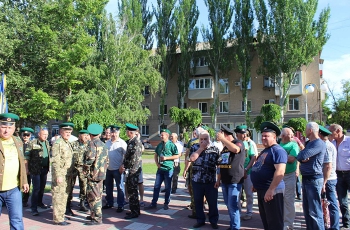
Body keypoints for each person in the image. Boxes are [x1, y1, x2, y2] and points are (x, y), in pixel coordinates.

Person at [251, 121, 287, 230]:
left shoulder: (278, 151)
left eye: (266, 136)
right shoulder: (266, 150)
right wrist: (256, 184)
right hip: (262, 189)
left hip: (272, 191)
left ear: (274, 137)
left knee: (274, 223)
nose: (263, 138)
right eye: (262, 136)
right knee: (266, 221)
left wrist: (271, 190)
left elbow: (280, 172)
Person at [0, 113, 29, 229]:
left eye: (10, 127)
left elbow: (21, 162)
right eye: (3, 127)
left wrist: (24, 181)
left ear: (14, 128)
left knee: (17, 220)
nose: (6, 130)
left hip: (14, 189)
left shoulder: (17, 141)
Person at [296, 122, 326, 229]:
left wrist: (303, 158)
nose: (304, 131)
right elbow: (300, 155)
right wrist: (303, 158)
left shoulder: (318, 143)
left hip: (314, 179)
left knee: (315, 211)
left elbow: (302, 155)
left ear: (310, 130)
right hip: (307, 179)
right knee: (307, 210)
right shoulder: (309, 143)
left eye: (305, 129)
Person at [190, 131, 220, 229]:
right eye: (201, 139)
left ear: (209, 139)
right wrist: (201, 148)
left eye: (205, 139)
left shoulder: (215, 149)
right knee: (198, 201)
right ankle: (200, 220)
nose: (203, 141)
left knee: (212, 202)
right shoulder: (194, 147)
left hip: (210, 181)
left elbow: (219, 165)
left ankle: (213, 220)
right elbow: (192, 158)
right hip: (197, 180)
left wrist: (218, 180)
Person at [217, 125, 245, 230]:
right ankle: (233, 225)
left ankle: (235, 227)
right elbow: (221, 164)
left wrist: (223, 139)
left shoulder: (238, 142)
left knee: (233, 206)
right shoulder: (225, 147)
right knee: (229, 205)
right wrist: (218, 179)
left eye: (221, 134)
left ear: (226, 134)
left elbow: (236, 149)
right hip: (225, 180)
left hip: (235, 180)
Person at [145, 129, 179, 210]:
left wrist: (167, 158)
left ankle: (166, 203)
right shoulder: (159, 145)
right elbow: (155, 154)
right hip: (160, 169)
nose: (161, 136)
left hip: (168, 169)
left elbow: (177, 156)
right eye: (161, 135)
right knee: (156, 186)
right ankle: (153, 203)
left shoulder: (172, 145)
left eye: (162, 135)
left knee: (167, 187)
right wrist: (157, 164)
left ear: (167, 135)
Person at [84, 123, 109, 225]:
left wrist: (85, 168)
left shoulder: (92, 144)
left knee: (94, 196)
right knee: (97, 195)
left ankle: (97, 218)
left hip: (93, 175)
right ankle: (93, 214)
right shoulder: (103, 144)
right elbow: (107, 160)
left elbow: (89, 159)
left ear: (90, 134)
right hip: (101, 174)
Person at [51, 122, 75, 226]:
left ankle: (61, 215)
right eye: (66, 132)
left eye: (70, 132)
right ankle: (58, 219)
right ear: (61, 132)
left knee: (64, 196)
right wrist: (58, 175)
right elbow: (56, 161)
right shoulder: (58, 143)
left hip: (67, 175)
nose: (68, 134)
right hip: (60, 175)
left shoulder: (67, 143)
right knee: (58, 196)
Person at [328, 124, 350, 229]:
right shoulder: (332, 143)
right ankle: (346, 223)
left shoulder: (349, 141)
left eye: (331, 131)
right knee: (342, 200)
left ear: (338, 131)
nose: (329, 133)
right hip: (338, 175)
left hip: (349, 173)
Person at [119, 123, 143, 219]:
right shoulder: (131, 141)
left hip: (133, 171)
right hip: (130, 170)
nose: (126, 133)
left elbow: (134, 158)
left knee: (133, 192)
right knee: (131, 191)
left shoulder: (136, 142)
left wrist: (128, 168)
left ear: (130, 132)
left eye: (127, 131)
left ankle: (135, 212)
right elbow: (128, 156)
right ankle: (134, 210)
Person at [25, 128, 51, 216]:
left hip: (44, 169)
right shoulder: (32, 143)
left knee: (42, 188)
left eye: (47, 134)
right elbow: (26, 157)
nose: (46, 136)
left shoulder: (47, 143)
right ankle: (33, 208)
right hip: (35, 169)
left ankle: (40, 203)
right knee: (36, 188)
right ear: (39, 134)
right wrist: (26, 169)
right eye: (44, 134)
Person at [103, 125, 127, 213]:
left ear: (119, 133)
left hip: (118, 169)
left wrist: (123, 165)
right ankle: (109, 203)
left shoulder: (122, 143)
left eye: (115, 132)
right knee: (108, 187)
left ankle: (121, 205)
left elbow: (127, 156)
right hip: (108, 169)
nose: (114, 134)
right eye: (112, 132)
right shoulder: (107, 143)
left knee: (120, 187)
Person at [279, 127, 300, 229]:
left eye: (292, 134)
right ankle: (281, 220)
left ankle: (288, 225)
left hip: (289, 176)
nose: (293, 136)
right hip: (278, 176)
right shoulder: (278, 145)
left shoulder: (294, 145)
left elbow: (291, 159)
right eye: (290, 134)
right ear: (283, 136)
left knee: (288, 200)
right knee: (279, 200)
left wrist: (278, 158)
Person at [319, 125, 339, 230]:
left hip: (329, 179)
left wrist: (324, 182)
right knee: (327, 203)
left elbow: (328, 166)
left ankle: (335, 227)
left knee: (331, 204)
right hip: (328, 179)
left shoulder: (326, 146)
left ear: (320, 134)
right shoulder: (327, 144)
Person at [183, 126, 204, 217]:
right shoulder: (210, 144)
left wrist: (185, 169)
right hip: (205, 172)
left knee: (193, 190)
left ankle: (195, 211)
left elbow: (188, 158)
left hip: (194, 170)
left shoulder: (193, 143)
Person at [69, 129, 89, 212]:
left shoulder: (89, 145)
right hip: (73, 167)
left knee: (84, 186)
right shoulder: (73, 144)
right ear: (79, 135)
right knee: (70, 185)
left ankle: (82, 203)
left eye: (87, 135)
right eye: (84, 135)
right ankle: (68, 201)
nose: (86, 137)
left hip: (83, 168)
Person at [240, 127, 257, 221]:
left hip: (248, 172)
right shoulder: (237, 143)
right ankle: (238, 212)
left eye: (246, 134)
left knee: (249, 194)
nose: (244, 136)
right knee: (238, 194)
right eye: (242, 134)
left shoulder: (251, 144)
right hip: (238, 173)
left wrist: (246, 169)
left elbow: (254, 157)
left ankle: (249, 212)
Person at [20, 127, 34, 207]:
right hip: (19, 167)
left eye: (27, 135)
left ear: (30, 135)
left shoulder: (32, 144)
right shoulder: (19, 144)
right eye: (24, 135)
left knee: (27, 183)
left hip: (29, 168)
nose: (25, 137)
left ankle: (25, 200)